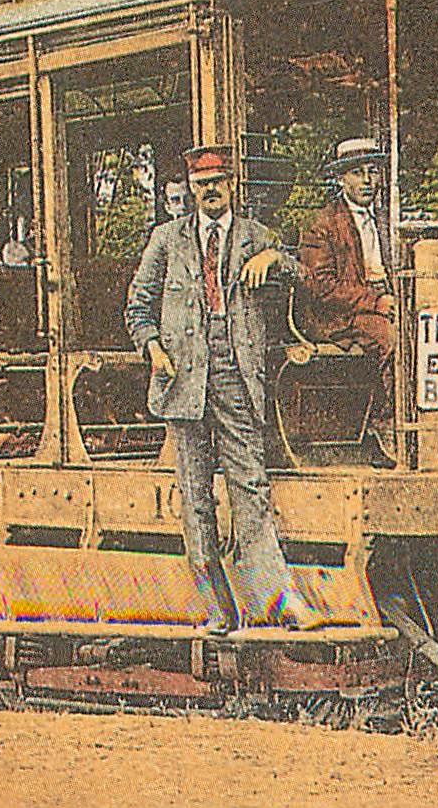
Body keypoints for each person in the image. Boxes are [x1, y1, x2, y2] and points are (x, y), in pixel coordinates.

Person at [126, 144, 321, 635]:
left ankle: (276, 600)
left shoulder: (256, 236)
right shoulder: (167, 240)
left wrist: (274, 257)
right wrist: (153, 349)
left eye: (218, 181)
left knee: (250, 487)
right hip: (182, 380)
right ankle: (216, 608)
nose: (209, 191)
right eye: (200, 183)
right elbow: (138, 305)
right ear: (191, 189)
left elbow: (303, 274)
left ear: (231, 185)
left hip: (236, 374)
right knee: (195, 498)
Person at [296, 137, 396, 467]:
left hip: (383, 303)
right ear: (340, 179)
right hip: (336, 316)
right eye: (357, 173)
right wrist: (375, 301)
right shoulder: (323, 224)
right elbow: (320, 287)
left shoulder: (387, 220)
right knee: (391, 339)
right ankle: (386, 425)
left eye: (373, 172)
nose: (367, 181)